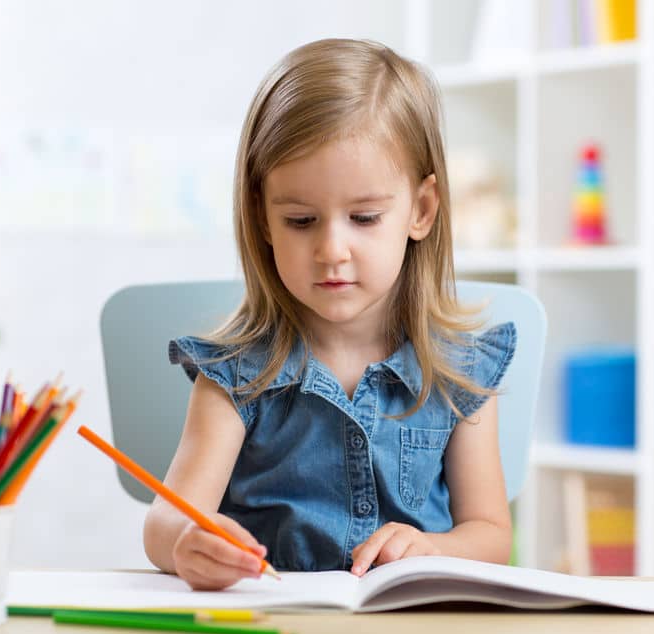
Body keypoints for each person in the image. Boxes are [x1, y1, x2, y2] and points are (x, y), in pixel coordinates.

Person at [143, 38, 516, 591]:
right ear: (262, 217)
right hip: (273, 623)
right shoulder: (234, 375)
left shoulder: (459, 370)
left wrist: (434, 549)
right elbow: (163, 523)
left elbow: (491, 534)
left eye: (364, 218)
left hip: (413, 629)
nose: (332, 250)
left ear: (420, 210)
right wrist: (187, 541)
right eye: (300, 220)